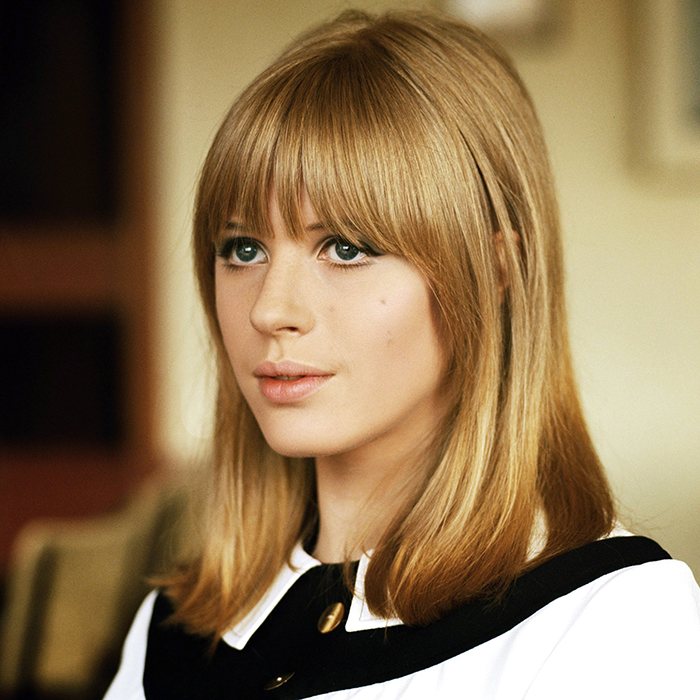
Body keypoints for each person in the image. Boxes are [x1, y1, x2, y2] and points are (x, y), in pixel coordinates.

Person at [104, 9, 700, 699]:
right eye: (243, 249)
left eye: (345, 248)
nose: (269, 309)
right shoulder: (169, 633)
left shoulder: (612, 622)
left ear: (495, 270)